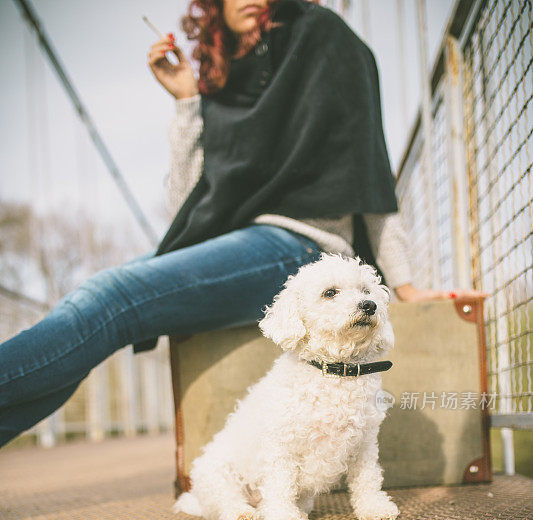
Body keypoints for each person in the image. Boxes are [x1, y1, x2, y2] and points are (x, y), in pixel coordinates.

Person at [0, 0, 486, 448]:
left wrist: (404, 284)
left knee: (110, 299)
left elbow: (370, 171)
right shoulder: (222, 84)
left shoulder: (323, 37)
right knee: (96, 320)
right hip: (238, 243)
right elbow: (187, 207)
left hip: (301, 247)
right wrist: (189, 102)